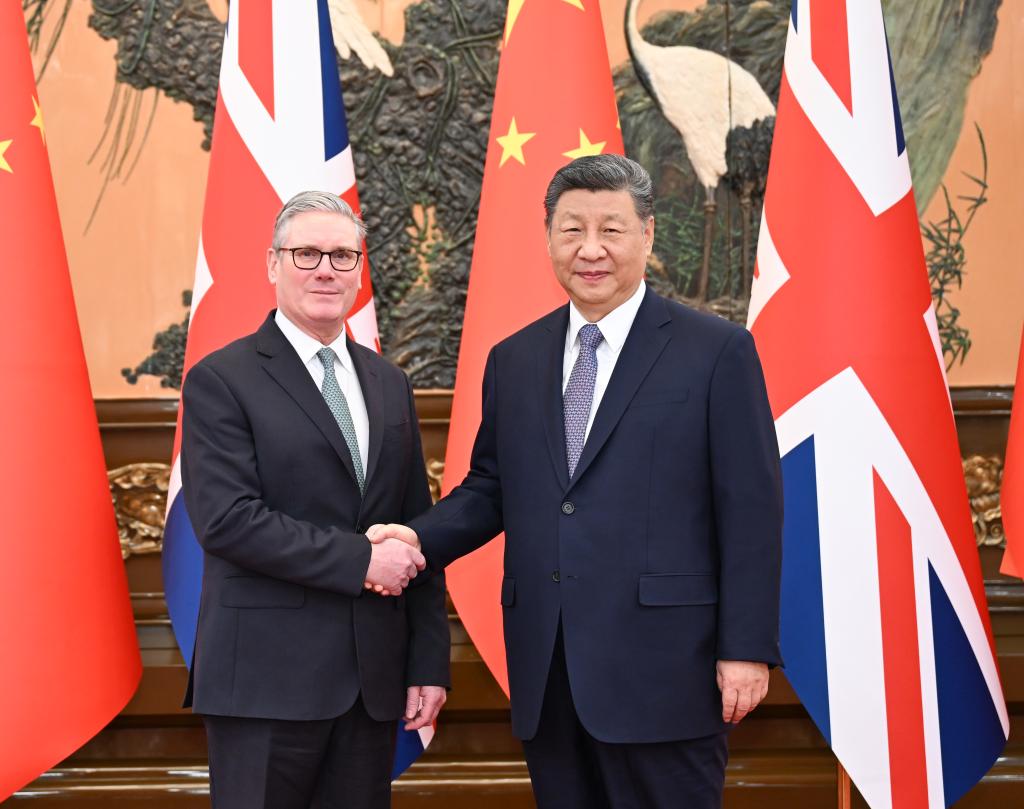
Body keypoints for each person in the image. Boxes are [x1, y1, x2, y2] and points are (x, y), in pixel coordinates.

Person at [369, 155, 783, 809]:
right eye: (571, 230)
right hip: (550, 668)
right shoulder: (516, 358)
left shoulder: (716, 352)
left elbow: (752, 509)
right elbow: (490, 488)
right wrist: (412, 539)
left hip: (669, 670)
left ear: (646, 234)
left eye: (611, 229)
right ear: (549, 238)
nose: (590, 249)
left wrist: (746, 648)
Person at [180, 191, 450, 809]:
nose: (326, 269)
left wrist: (428, 661)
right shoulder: (222, 379)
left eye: (342, 255)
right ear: (272, 264)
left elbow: (417, 529)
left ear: (360, 270)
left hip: (372, 683)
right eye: (306, 254)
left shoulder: (388, 382)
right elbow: (227, 521)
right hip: (265, 683)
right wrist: (362, 561)